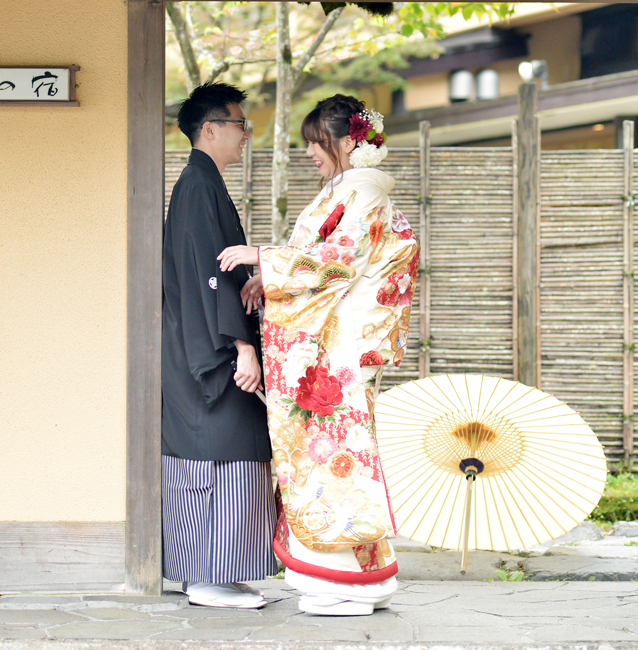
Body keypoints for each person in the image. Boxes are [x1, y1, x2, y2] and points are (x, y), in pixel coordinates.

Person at [219, 95, 420, 616]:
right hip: (334, 342)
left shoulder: (363, 191)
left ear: (350, 141)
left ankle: (344, 582)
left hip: (334, 349)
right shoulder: (347, 188)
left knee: (331, 456)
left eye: (317, 142)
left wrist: (261, 257)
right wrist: (270, 275)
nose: (309, 151)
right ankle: (358, 578)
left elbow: (339, 259)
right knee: (332, 453)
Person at [161, 82, 276, 609]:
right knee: (217, 451)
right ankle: (205, 577)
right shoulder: (197, 186)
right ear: (210, 129)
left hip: (206, 345)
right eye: (240, 125)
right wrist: (239, 346)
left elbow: (218, 271)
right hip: (208, 354)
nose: (247, 136)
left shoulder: (203, 184)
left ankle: (215, 573)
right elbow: (206, 275)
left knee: (228, 452)